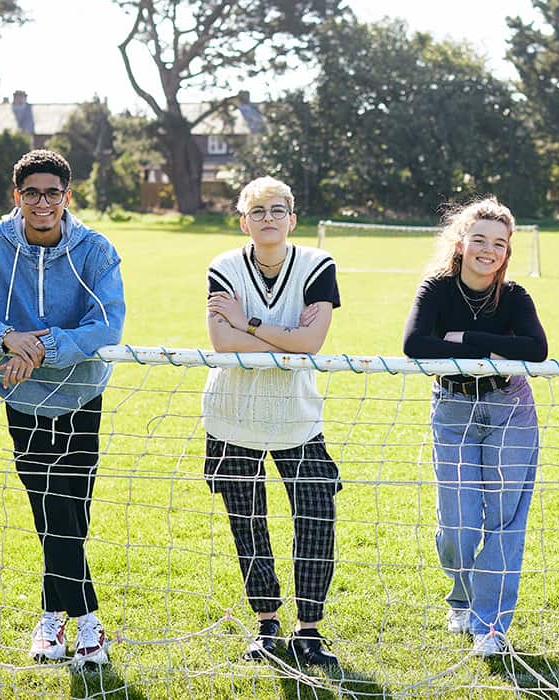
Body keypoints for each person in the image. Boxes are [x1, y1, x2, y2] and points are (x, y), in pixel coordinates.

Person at [0, 149, 125, 665]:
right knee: (49, 509)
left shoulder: (96, 249)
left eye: (53, 193)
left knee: (72, 513)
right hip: (20, 395)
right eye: (32, 193)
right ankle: (85, 624)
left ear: (68, 196)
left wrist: (41, 347)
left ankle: (50, 618)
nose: (42, 202)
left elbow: (107, 325)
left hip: (81, 392)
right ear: (16, 196)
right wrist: (4, 338)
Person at [202, 176, 342, 667]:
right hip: (231, 416)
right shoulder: (223, 267)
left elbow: (312, 345)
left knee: (316, 516)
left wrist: (250, 323)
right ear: (244, 220)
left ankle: (309, 630)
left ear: (292, 218)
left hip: (296, 417)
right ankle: (266, 623)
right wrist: (281, 338)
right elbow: (223, 343)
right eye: (257, 211)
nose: (268, 218)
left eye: (277, 210)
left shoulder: (317, 265)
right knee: (248, 524)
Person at [403, 197, 547, 657]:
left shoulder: (516, 296)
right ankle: (461, 596)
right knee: (459, 527)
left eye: (499, 243)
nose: (488, 250)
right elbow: (414, 345)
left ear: (507, 251)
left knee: (505, 522)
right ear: (461, 242)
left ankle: (491, 624)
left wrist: (464, 340)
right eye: (479, 239)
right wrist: (498, 348)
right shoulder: (437, 290)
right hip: (454, 411)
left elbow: (536, 350)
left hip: (510, 410)